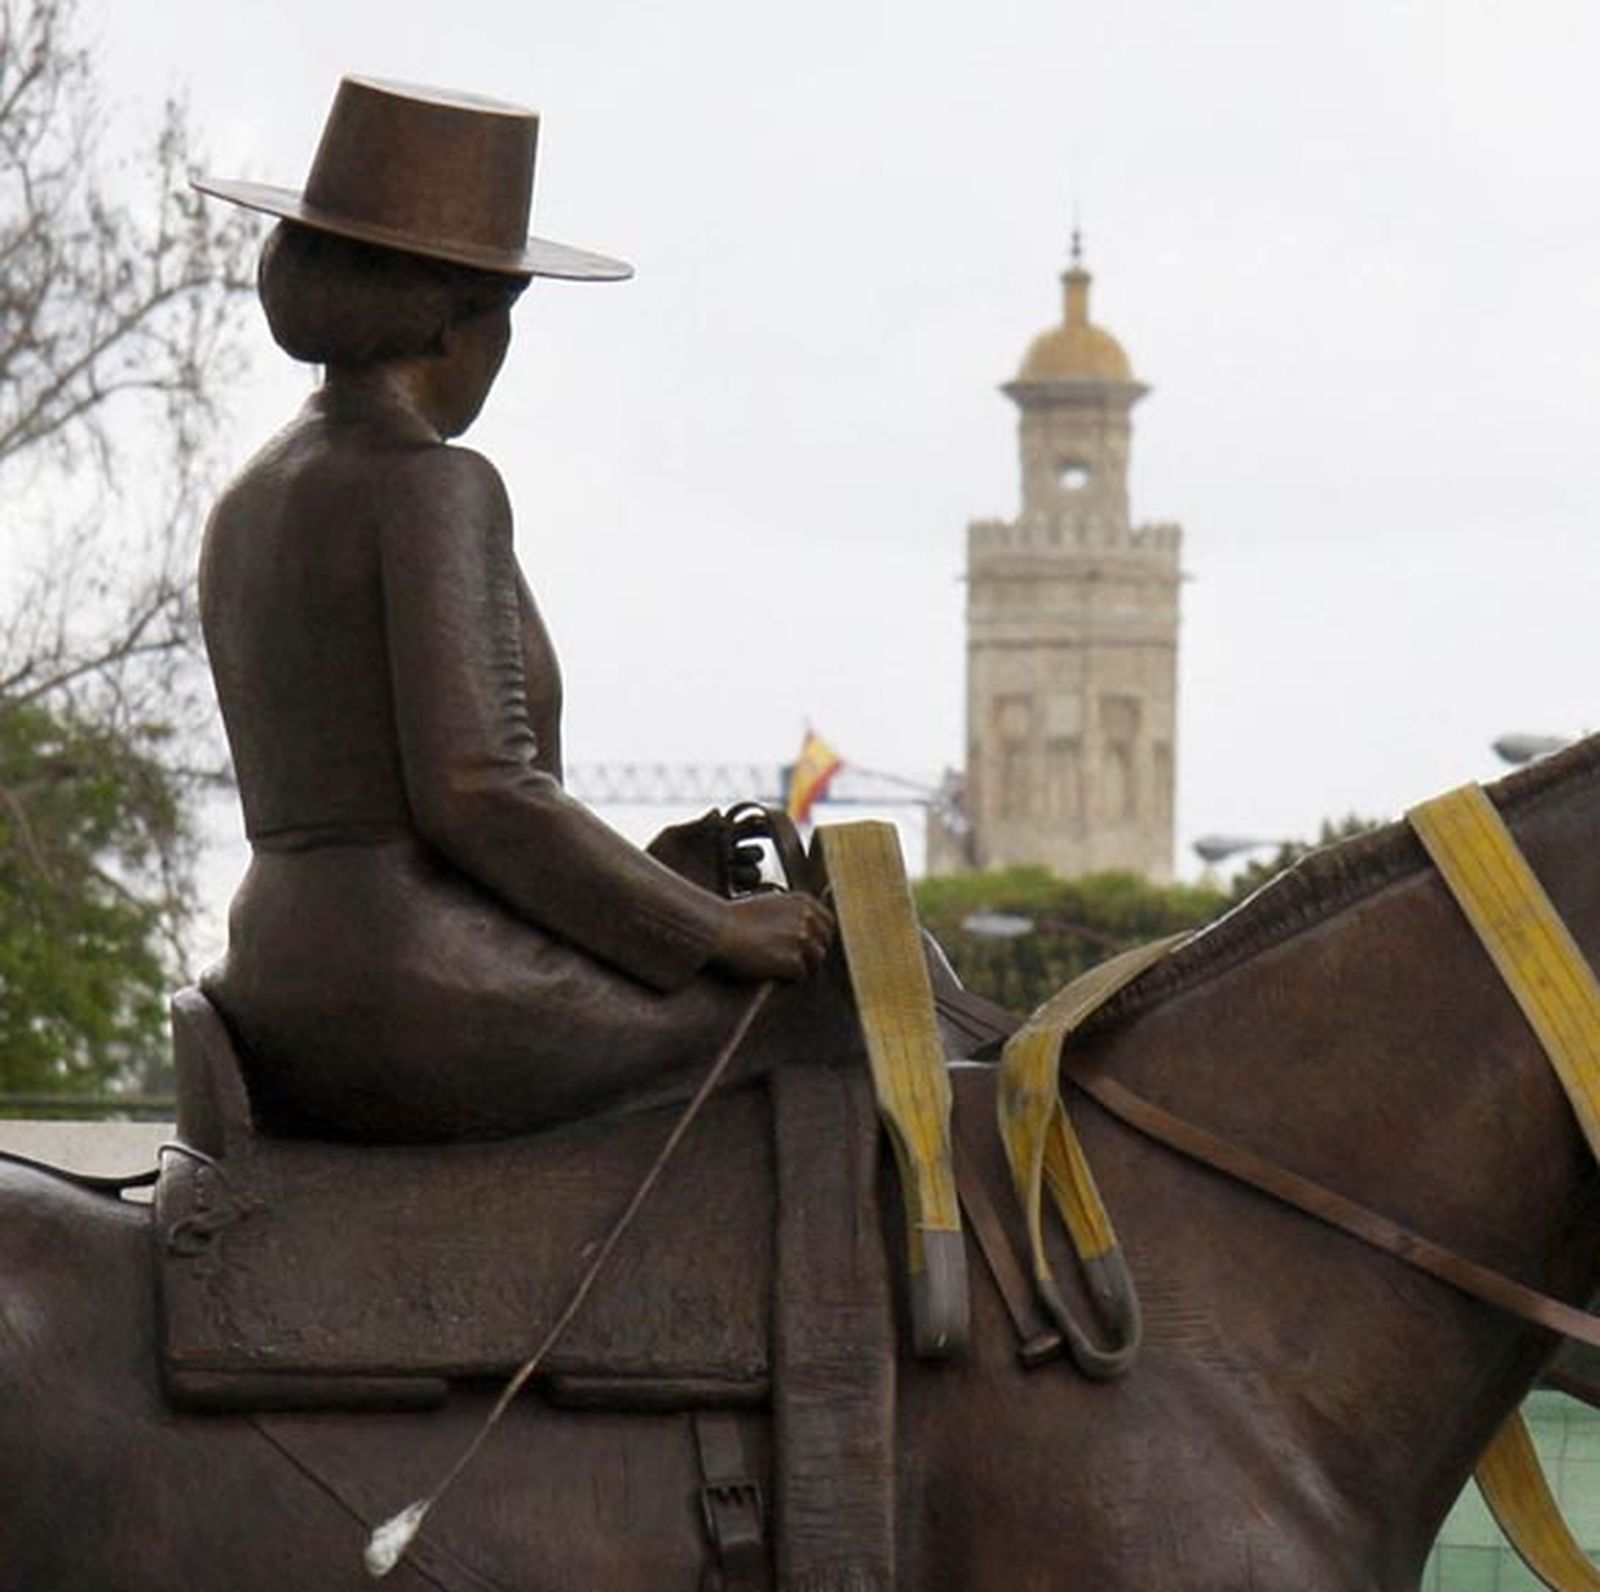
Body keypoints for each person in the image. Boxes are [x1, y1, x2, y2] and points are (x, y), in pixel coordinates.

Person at [192, 77, 844, 1142]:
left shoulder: (252, 496)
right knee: (832, 1009)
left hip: (274, 973)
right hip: (419, 989)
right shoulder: (435, 482)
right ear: (457, 327)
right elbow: (479, 792)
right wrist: (713, 932)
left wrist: (651, 881)